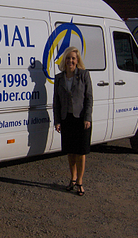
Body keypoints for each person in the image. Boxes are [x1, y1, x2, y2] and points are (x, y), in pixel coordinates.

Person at [53, 46, 93, 196]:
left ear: (77, 61)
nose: (71, 61)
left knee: (81, 152)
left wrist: (87, 118)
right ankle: (73, 179)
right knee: (70, 151)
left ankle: (80, 182)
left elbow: (89, 98)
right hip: (66, 118)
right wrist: (57, 121)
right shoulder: (59, 78)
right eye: (68, 58)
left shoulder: (83, 75)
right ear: (65, 60)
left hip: (81, 119)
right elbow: (56, 101)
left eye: (73, 58)